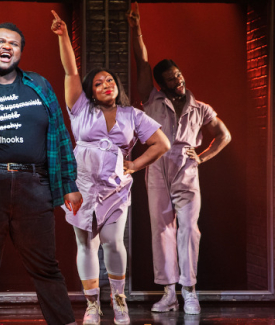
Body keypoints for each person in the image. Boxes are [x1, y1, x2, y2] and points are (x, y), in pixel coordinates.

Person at [0, 22, 81, 325]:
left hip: (34, 185)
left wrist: (69, 182)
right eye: (0, 41)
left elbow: (60, 135)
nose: (7, 47)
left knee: (46, 266)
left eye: (15, 43)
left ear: (20, 52)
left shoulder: (40, 85)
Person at [51, 11, 170, 325]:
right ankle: (92, 305)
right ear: (91, 91)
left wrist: (135, 164)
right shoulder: (80, 108)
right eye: (100, 82)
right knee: (85, 243)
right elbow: (70, 71)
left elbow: (162, 144)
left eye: (111, 81)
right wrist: (63, 36)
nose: (106, 84)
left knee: (113, 242)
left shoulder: (132, 115)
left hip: (116, 187)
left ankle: (119, 302)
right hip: (81, 185)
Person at [127, 2, 232, 315]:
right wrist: (136, 28)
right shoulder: (152, 98)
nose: (178, 80)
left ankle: (190, 291)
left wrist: (201, 157)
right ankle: (169, 292)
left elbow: (224, 135)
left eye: (179, 75)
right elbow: (141, 61)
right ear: (161, 82)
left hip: (185, 168)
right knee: (162, 230)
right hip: (157, 165)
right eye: (171, 78)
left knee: (189, 229)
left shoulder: (201, 108)